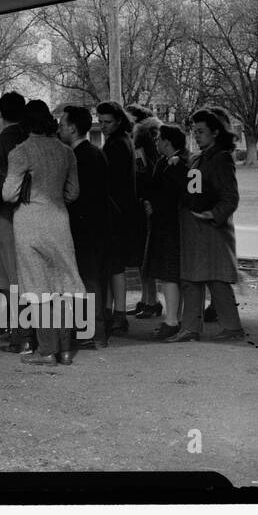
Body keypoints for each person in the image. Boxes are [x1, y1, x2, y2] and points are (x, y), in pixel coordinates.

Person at [3, 100, 83, 366]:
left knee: (37, 288)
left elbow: (8, 193)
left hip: (28, 223)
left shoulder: (20, 152)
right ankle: (67, 348)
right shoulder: (66, 152)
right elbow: (73, 192)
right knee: (62, 285)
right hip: (59, 221)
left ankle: (47, 351)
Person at [169, 107, 245, 343]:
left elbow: (230, 197)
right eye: (195, 131)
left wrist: (213, 214)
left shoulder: (221, 158)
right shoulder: (200, 157)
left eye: (201, 131)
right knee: (191, 278)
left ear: (215, 132)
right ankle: (190, 328)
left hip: (210, 230)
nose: (197, 135)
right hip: (194, 229)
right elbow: (193, 185)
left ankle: (232, 328)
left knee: (216, 278)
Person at [59, 105, 110, 349]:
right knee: (93, 280)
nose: (59, 129)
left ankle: (91, 332)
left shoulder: (77, 157)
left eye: (62, 124)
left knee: (86, 281)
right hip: (98, 225)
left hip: (82, 227)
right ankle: (94, 331)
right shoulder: (97, 153)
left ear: (72, 127)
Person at [0, 91, 29, 352]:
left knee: (11, 280)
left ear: (1, 113)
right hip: (31, 216)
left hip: (4, 216)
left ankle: (20, 336)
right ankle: (32, 330)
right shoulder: (30, 138)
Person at [141, 123, 188, 340]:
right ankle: (172, 318)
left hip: (171, 225)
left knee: (170, 275)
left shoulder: (180, 165)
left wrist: (155, 205)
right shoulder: (164, 162)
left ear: (167, 142)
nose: (156, 142)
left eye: (159, 139)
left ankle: (172, 321)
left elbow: (176, 196)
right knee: (169, 275)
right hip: (165, 224)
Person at [95, 101, 137, 337]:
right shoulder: (121, 141)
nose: (102, 126)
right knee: (114, 265)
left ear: (118, 120)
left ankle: (118, 314)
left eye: (107, 122)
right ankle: (116, 312)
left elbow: (111, 181)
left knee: (114, 266)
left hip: (116, 211)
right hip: (121, 209)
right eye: (100, 121)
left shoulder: (116, 145)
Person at [127, 105, 163, 318]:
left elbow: (144, 172)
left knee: (146, 255)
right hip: (148, 201)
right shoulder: (150, 137)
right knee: (144, 255)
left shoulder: (142, 139)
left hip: (145, 203)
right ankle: (146, 299)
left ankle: (151, 301)